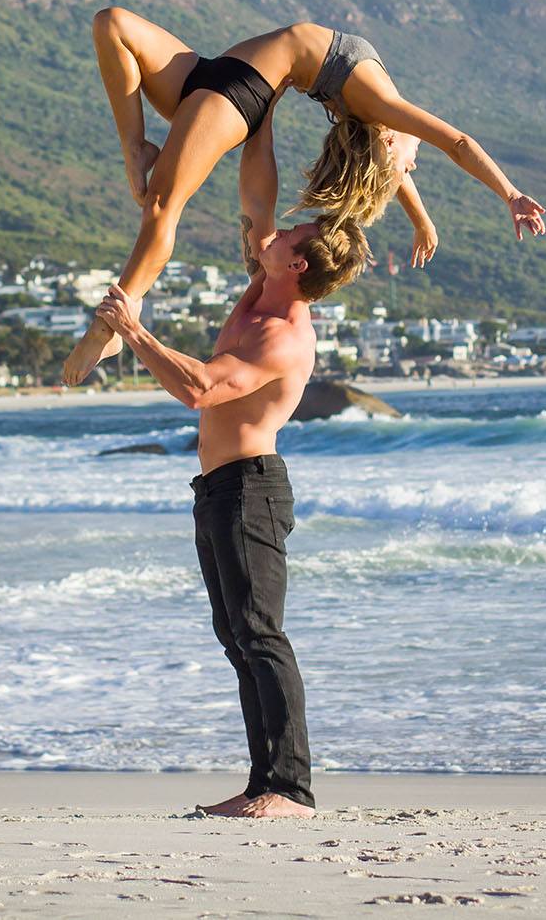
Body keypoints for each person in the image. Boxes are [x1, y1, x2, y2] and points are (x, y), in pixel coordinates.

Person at [64, 7, 546, 384]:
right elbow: (423, 155)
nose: (412, 166)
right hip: (218, 73)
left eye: (406, 168)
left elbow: (449, 146)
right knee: (112, 24)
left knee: (164, 207)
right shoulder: (380, 113)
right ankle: (136, 147)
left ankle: (111, 325)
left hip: (242, 92)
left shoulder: (381, 110)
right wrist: (432, 219)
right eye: (408, 166)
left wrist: (508, 195)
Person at [92, 213, 371, 818]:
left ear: (296, 265)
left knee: (261, 634)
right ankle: (262, 782)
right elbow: (256, 215)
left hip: (252, 491)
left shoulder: (282, 336)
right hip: (217, 488)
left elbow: (200, 390)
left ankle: (291, 790)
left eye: (289, 235)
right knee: (237, 638)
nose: (276, 231)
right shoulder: (259, 295)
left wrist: (135, 334)